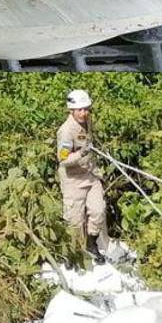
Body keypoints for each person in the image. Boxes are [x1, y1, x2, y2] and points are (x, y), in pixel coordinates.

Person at [55, 89, 107, 265]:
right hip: (73, 180)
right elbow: (63, 159)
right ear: (71, 110)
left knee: (98, 210)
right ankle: (72, 254)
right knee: (74, 221)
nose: (84, 113)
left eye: (86, 109)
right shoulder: (66, 131)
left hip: (90, 175)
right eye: (80, 110)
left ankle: (92, 244)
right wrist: (81, 153)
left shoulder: (87, 122)